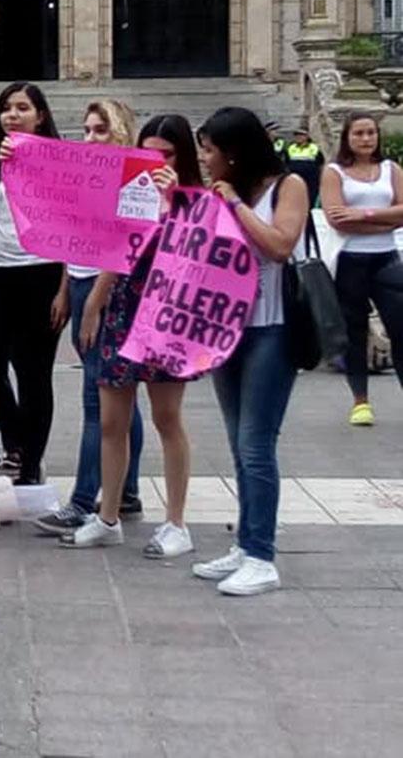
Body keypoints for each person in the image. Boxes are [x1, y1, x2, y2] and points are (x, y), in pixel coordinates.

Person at [62, 114, 203, 559]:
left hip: (166, 314)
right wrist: (93, 303)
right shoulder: (133, 193)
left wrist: (171, 200)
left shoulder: (195, 202)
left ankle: (176, 521)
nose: (157, 161)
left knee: (167, 418)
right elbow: (116, 250)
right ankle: (108, 516)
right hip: (123, 308)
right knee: (110, 419)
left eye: (167, 153)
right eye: (150, 152)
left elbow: (198, 261)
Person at [192, 107, 307, 595]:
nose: (204, 159)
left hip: (273, 328)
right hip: (227, 330)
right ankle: (245, 541)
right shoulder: (219, 194)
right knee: (239, 444)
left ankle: (263, 556)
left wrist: (235, 204)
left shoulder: (289, 187)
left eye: (210, 150)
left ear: (233, 152)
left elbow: (280, 245)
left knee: (257, 445)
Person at [34, 99, 147, 536]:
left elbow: (123, 247)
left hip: (111, 289)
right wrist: (66, 289)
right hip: (81, 282)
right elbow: (73, 238)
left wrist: (95, 302)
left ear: (120, 132)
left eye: (100, 130)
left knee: (96, 398)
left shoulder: (134, 176)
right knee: (116, 394)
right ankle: (128, 487)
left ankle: (84, 500)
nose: (90, 138)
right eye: (85, 129)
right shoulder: (87, 176)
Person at [0, 82, 69, 486]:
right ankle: (19, 436)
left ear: (40, 115)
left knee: (33, 373)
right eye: (6, 108)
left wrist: (64, 289)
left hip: (42, 273)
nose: (12, 114)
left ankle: (29, 464)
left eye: (22, 107)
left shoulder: (60, 162)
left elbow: (75, 229)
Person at [321, 112, 403, 427]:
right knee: (354, 331)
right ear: (347, 137)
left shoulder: (390, 170)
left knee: (400, 328)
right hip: (350, 259)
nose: (366, 139)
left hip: (387, 258)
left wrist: (363, 214)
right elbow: (335, 218)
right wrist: (385, 218)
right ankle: (360, 401)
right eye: (359, 133)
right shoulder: (335, 172)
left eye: (371, 133)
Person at [283, 126, 325, 206]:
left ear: (307, 136)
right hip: (295, 179)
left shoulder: (314, 148)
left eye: (301, 135)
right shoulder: (290, 148)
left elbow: (321, 164)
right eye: (296, 135)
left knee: (310, 200)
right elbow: (286, 163)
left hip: (311, 180)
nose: (298, 137)